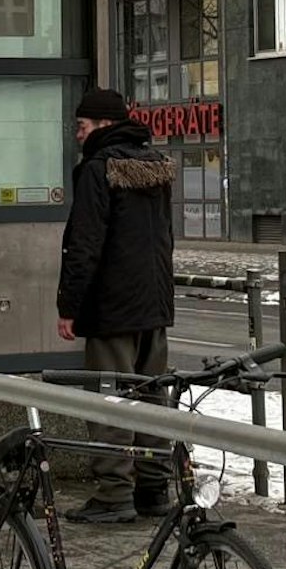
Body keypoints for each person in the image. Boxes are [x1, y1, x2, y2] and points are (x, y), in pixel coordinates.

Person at [55, 88, 176, 524]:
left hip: (112, 306)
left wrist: (69, 305)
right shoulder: (154, 163)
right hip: (153, 303)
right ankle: (154, 487)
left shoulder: (98, 169)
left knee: (110, 400)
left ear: (103, 125)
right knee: (151, 395)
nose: (78, 136)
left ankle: (113, 494)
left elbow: (84, 243)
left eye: (82, 127)